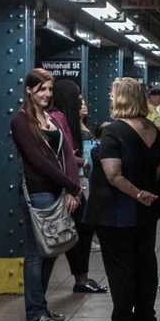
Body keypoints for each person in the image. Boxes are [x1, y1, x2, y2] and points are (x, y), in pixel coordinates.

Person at [86, 78, 160, 321]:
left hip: (117, 212)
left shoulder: (114, 131)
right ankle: (146, 320)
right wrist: (146, 195)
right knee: (145, 263)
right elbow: (157, 170)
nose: (110, 98)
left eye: (112, 94)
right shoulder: (154, 130)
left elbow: (113, 174)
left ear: (121, 98)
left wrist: (137, 195)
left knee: (120, 267)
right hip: (147, 213)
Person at [10, 69, 82, 321]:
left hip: (58, 190)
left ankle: (41, 306)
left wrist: (70, 188)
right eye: (41, 89)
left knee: (52, 250)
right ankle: (34, 311)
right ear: (29, 90)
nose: (47, 94)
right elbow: (38, 162)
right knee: (36, 253)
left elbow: (69, 154)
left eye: (50, 90)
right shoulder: (20, 122)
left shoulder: (53, 118)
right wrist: (72, 186)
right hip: (38, 191)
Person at [53, 79, 107, 295]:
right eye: (78, 98)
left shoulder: (74, 124)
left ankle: (82, 278)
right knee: (80, 232)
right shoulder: (60, 123)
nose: (82, 102)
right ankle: (80, 279)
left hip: (81, 185)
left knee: (83, 231)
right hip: (73, 187)